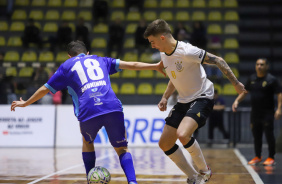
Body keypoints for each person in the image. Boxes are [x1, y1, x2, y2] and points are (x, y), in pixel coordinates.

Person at [11, 40, 165, 184]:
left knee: (87, 142)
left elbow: (45, 88)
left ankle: (90, 178)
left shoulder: (66, 66)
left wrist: (26, 103)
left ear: (69, 55)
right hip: (112, 106)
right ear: (88, 52)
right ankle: (132, 182)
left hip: (88, 109)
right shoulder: (100, 59)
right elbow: (132, 64)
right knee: (122, 148)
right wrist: (155, 66)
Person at [143, 19, 246, 183]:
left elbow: (219, 60)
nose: (152, 46)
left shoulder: (187, 50)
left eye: (153, 42)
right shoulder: (164, 53)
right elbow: (174, 77)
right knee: (164, 143)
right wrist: (165, 97)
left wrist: (236, 83)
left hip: (202, 96)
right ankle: (193, 177)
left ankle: (205, 171)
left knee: (183, 134)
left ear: (162, 38)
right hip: (184, 100)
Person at [232, 58, 282, 166]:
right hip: (255, 113)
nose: (259, 66)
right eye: (257, 64)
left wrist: (279, 109)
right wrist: (236, 101)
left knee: (269, 135)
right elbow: (245, 92)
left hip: (267, 113)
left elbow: (279, 94)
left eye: (262, 64)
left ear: (267, 66)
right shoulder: (252, 78)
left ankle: (271, 157)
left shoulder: (271, 79)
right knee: (256, 135)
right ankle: (258, 156)